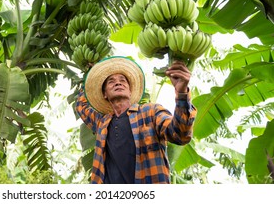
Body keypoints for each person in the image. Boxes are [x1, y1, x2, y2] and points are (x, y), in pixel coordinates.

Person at [75, 56, 197, 184]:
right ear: (104, 94)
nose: (118, 83)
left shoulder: (150, 112)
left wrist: (182, 92)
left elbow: (180, 134)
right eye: (111, 81)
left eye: (123, 80)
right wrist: (92, 77)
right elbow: (81, 106)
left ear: (130, 91)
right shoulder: (102, 122)